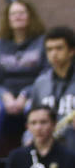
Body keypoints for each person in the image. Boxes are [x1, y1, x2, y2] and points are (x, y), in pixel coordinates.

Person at [0, 0, 47, 160]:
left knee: (37, 114)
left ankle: (33, 158)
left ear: (31, 17)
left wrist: (26, 94)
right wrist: (5, 96)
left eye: (22, 13)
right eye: (13, 14)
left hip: (33, 96)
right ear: (7, 20)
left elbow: (46, 75)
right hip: (5, 98)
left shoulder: (42, 42)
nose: (18, 17)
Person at [29, 25, 75, 153]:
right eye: (49, 49)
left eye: (59, 48)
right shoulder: (40, 83)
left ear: (71, 51)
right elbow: (33, 116)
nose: (53, 54)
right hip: (46, 140)